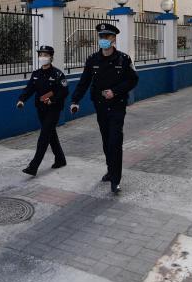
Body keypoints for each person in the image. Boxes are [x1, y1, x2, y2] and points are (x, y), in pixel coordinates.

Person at [70, 23, 138, 194]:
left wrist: (115, 91)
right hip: (100, 106)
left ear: (114, 38)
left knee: (115, 141)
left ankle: (115, 180)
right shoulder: (92, 59)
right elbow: (84, 81)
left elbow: (133, 80)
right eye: (101, 36)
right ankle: (110, 170)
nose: (103, 39)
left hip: (117, 106)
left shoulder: (123, 59)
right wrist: (75, 100)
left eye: (107, 36)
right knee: (106, 140)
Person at [16, 45, 68, 176]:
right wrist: (22, 99)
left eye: (45, 55)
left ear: (51, 57)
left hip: (53, 109)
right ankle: (60, 159)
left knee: (44, 136)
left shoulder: (58, 74)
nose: (42, 57)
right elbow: (29, 89)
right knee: (51, 135)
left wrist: (53, 100)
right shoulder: (36, 74)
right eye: (40, 55)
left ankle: (33, 166)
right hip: (41, 109)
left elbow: (64, 91)